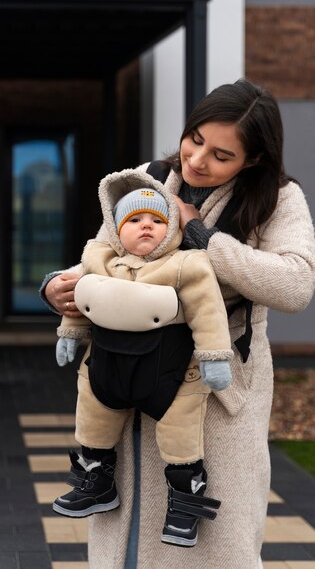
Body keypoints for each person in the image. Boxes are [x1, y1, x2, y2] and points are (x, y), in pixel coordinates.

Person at [41, 78, 315, 569]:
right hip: (125, 375)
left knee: (215, 538)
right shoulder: (147, 178)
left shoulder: (279, 197)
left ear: (253, 160)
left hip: (213, 390)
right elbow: (104, 255)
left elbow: (296, 285)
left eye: (221, 155)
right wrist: (58, 287)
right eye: (195, 139)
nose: (196, 160)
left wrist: (199, 234)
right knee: (123, 522)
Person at [52, 171, 233, 548]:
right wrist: (70, 332)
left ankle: (185, 499)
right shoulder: (97, 257)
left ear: (171, 231)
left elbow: (209, 311)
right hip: (107, 367)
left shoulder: (187, 265)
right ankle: (96, 479)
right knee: (93, 414)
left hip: (172, 373)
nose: (146, 226)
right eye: (135, 220)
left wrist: (215, 357)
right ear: (117, 230)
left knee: (181, 432)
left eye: (157, 220)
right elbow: (81, 298)